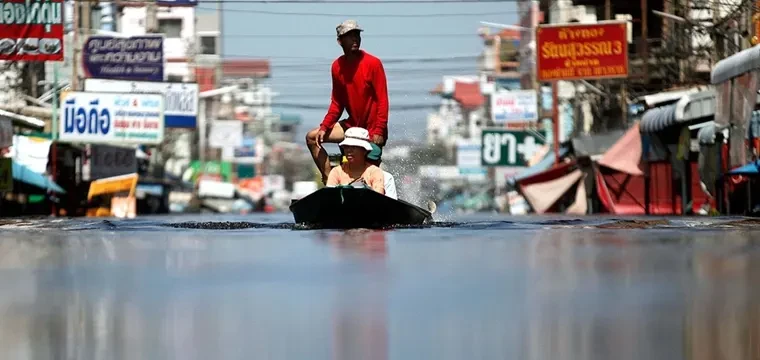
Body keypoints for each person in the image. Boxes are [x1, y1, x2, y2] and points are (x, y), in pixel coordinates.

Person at [305, 19, 389, 185]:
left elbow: (382, 100)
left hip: (371, 131)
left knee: (364, 179)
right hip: (351, 128)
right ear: (340, 41)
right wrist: (324, 126)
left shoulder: (373, 63)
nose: (355, 39)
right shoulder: (337, 66)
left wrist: (379, 129)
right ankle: (329, 181)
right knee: (312, 137)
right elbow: (337, 103)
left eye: (357, 35)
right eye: (349, 36)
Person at [326, 127, 385, 195]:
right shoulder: (336, 172)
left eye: (354, 147)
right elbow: (329, 197)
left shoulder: (375, 172)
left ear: (365, 151)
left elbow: (379, 199)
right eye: (346, 147)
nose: (349, 150)